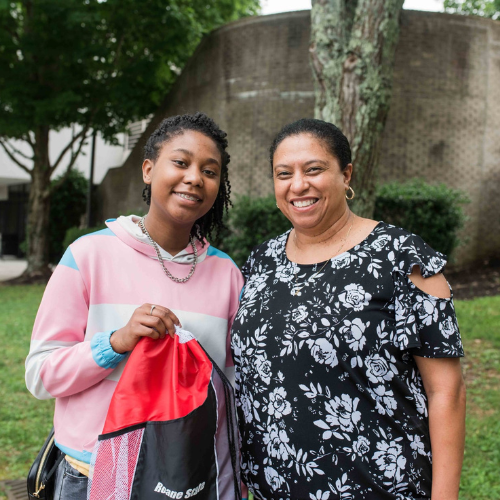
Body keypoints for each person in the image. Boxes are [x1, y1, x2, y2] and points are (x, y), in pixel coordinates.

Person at [231, 118, 466, 500]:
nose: (298, 185)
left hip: (380, 487)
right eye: (283, 173)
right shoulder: (262, 261)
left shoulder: (401, 258)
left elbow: (447, 392)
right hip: (275, 489)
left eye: (314, 169)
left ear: (346, 174)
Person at [25, 112, 244, 499]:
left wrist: (231, 482)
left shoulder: (227, 275)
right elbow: (41, 375)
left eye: (210, 171)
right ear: (147, 170)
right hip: (92, 477)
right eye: (180, 162)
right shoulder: (89, 256)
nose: (194, 177)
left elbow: (228, 393)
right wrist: (114, 343)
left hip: (184, 479)